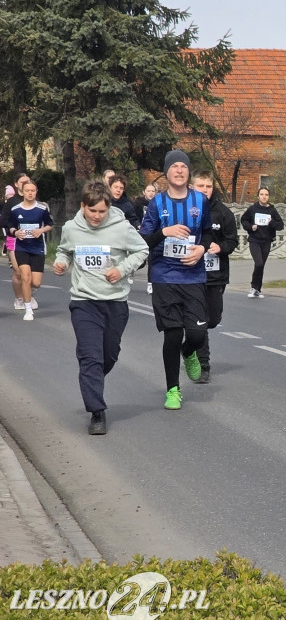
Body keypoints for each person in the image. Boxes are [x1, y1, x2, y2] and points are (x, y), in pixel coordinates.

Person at [53, 181, 149, 435]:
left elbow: (141, 250)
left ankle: (90, 376)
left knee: (108, 355)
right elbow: (64, 251)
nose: (96, 216)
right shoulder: (73, 228)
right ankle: (97, 412)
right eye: (92, 211)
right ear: (83, 206)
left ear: (108, 209)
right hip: (84, 301)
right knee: (91, 358)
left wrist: (121, 269)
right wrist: (61, 262)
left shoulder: (121, 228)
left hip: (115, 302)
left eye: (101, 212)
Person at [140, 150, 212, 410]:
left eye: (184, 166)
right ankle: (173, 390)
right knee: (172, 335)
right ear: (166, 172)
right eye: (175, 167)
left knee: (197, 333)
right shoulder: (157, 204)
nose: (180, 170)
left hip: (193, 276)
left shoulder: (200, 201)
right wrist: (164, 231)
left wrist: (202, 249)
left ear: (188, 172)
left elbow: (206, 234)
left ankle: (189, 351)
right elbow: (144, 241)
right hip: (164, 276)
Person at [191, 171, 238, 384]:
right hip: (191, 275)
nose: (205, 190)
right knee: (199, 322)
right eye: (200, 186)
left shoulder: (223, 213)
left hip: (216, 275)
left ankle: (194, 339)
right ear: (192, 187)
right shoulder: (186, 211)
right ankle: (203, 366)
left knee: (213, 319)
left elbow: (232, 241)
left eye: (208, 186)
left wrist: (221, 247)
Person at [6, 179, 54, 321]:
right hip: (22, 248)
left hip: (38, 248)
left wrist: (41, 230)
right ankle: (28, 309)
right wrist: (16, 232)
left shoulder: (41, 209)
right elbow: (11, 226)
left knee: (36, 282)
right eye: (27, 190)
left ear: (36, 192)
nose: (30, 193)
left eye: (33, 190)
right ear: (23, 192)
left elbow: (50, 224)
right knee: (25, 277)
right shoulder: (16, 210)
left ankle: (29, 292)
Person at [239, 187, 284, 299]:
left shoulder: (272, 210)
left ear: (268, 197)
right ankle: (253, 287)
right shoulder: (253, 209)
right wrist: (250, 227)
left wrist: (272, 222)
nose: (264, 196)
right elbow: (244, 220)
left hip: (266, 241)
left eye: (266, 194)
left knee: (261, 265)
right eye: (262, 194)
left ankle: (258, 289)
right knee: (258, 263)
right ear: (258, 196)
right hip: (254, 240)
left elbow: (280, 225)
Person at [3, 172, 31, 307]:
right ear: (16, 184)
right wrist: (14, 230)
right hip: (14, 239)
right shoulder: (12, 202)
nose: (26, 184)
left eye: (28, 182)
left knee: (31, 273)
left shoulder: (34, 200)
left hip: (32, 240)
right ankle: (19, 298)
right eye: (23, 182)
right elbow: (4, 221)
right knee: (18, 271)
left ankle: (28, 294)